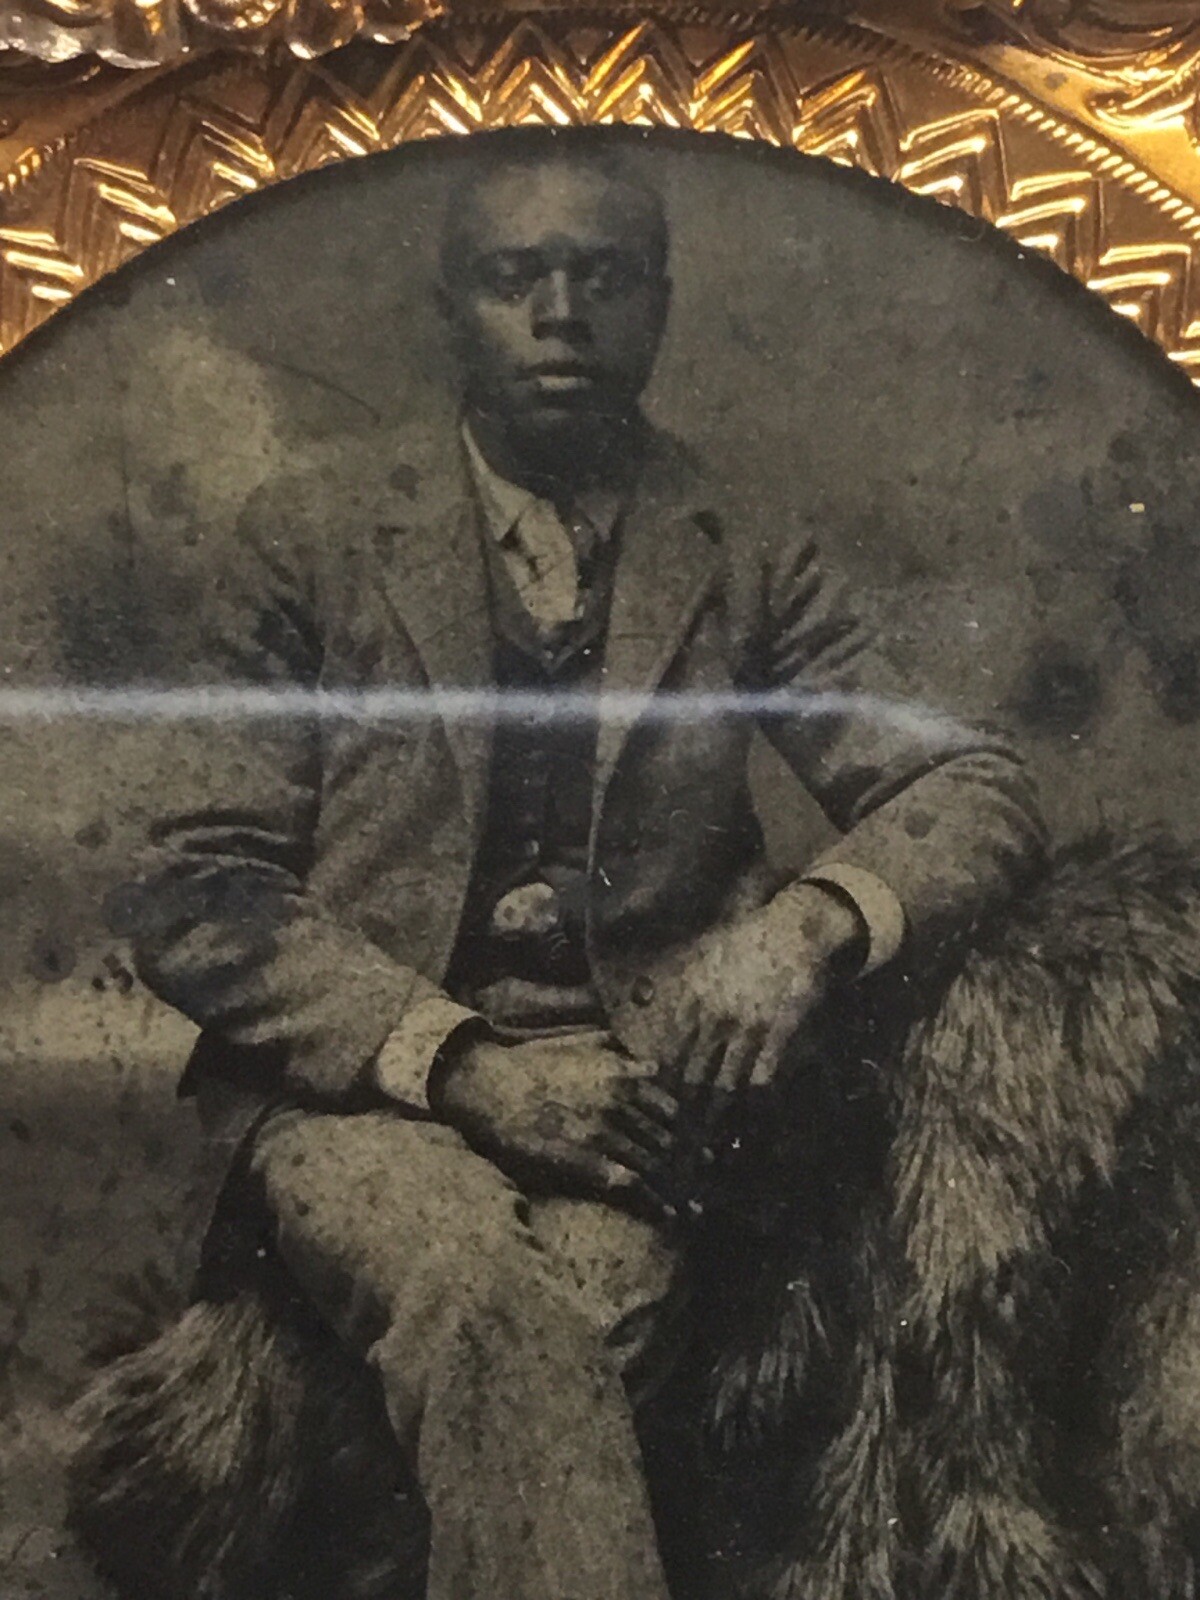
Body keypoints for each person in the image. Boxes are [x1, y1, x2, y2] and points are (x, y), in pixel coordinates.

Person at [119, 140, 1045, 1600]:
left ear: (661, 304)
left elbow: (970, 780)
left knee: (596, 1309)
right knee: (486, 1299)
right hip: (358, 1093)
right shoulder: (307, 540)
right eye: (515, 278)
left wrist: (804, 928)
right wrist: (467, 1065)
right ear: (450, 310)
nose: (562, 315)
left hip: (640, 1097)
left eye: (603, 277)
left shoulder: (743, 547)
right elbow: (192, 882)